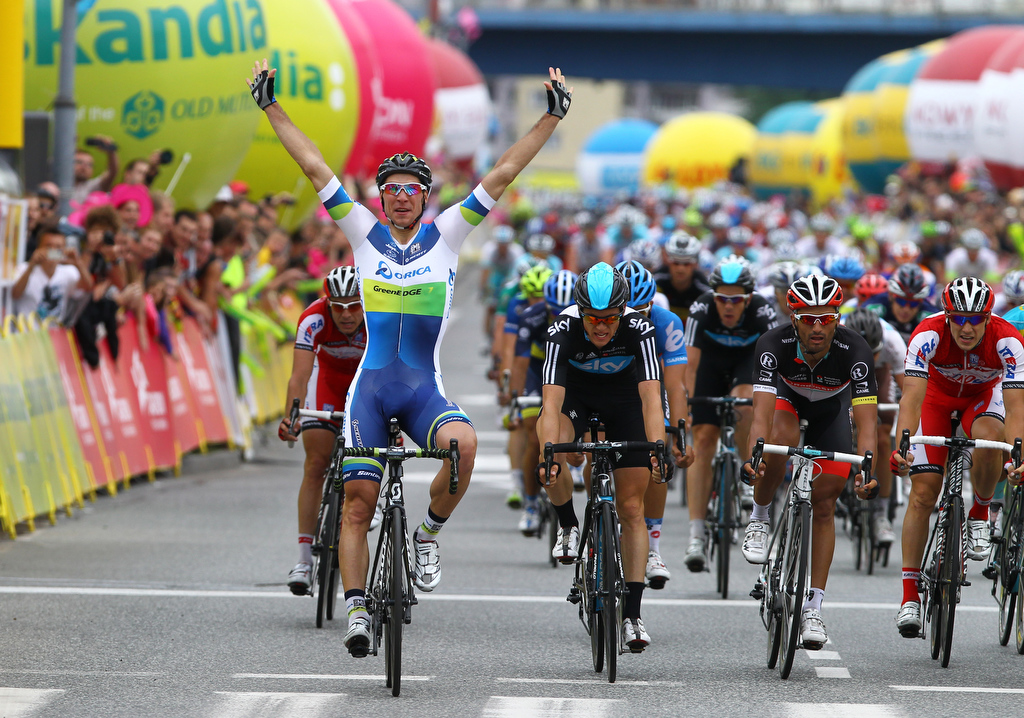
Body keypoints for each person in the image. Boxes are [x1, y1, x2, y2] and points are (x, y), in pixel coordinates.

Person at [248, 57, 573, 656]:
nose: (400, 198)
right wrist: (271, 106)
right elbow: (313, 163)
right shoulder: (361, 233)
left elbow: (502, 173)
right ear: (380, 196)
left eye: (411, 190)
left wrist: (550, 118)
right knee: (355, 504)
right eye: (390, 190)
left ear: (426, 196)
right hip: (369, 391)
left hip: (423, 389)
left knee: (466, 446)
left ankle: (425, 536)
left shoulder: (447, 234)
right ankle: (355, 612)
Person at [742, 274, 879, 649]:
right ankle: (760, 516)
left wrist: (867, 470)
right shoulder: (773, 343)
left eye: (826, 318)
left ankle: (813, 607)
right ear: (793, 317)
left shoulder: (856, 349)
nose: (817, 327)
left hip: (831, 410)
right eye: (807, 318)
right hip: (787, 400)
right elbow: (760, 417)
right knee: (779, 440)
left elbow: (866, 423)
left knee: (825, 503)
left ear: (837, 317)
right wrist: (755, 455)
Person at [537, 262, 669, 652]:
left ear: (622, 312)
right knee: (550, 449)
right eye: (592, 318)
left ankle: (632, 615)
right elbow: (551, 400)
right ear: (579, 312)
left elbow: (650, 397)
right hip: (575, 399)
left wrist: (658, 446)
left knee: (631, 507)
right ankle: (567, 525)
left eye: (610, 318)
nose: (600, 327)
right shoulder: (561, 330)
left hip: (625, 400)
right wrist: (550, 455)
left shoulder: (639, 329)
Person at [890, 277, 1024, 638]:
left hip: (983, 398)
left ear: (988, 317)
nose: (966, 327)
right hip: (935, 400)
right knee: (923, 493)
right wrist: (902, 444)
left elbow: (1015, 408)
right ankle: (908, 597)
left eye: (975, 319)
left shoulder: (1008, 339)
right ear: (946, 315)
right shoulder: (927, 334)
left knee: (990, 437)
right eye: (958, 318)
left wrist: (1019, 454)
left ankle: (980, 513)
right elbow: (912, 399)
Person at [682, 256, 778, 571]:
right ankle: (696, 534)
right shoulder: (701, 308)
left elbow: (772, 367)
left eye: (736, 300)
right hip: (709, 365)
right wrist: (687, 410)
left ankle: (746, 468)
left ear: (748, 298)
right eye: (722, 298)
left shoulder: (762, 311)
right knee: (704, 439)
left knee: (744, 400)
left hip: (745, 364)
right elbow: (690, 366)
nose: (728, 306)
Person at [278, 267, 367, 595]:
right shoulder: (313, 318)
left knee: (378, 450)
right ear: (327, 303)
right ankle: (303, 560)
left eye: (354, 305)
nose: (346, 314)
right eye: (338, 306)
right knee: (316, 464)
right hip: (326, 382)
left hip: (365, 386)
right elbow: (299, 377)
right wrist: (292, 417)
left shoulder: (378, 317)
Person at [616, 260, 693, 588]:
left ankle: (653, 547)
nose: (635, 320)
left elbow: (674, 386)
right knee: (598, 446)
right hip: (607, 387)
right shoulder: (600, 322)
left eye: (642, 311)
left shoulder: (667, 323)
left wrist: (680, 433)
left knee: (657, 454)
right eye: (627, 312)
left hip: (649, 390)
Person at [509, 269, 577, 534]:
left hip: (567, 370)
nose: (560, 316)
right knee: (533, 433)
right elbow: (520, 362)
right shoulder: (531, 317)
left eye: (566, 309)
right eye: (554, 310)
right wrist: (516, 400)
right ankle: (530, 503)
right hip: (537, 370)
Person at [842, 308, 906, 546]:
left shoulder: (893, 342)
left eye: (874, 353)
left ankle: (880, 512)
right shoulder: (839, 337)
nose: (868, 358)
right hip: (846, 372)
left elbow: (908, 393)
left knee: (881, 436)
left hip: (880, 376)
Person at [11, 222, 92, 320]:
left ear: (64, 249)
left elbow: (89, 288)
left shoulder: (69, 271)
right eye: (48, 246)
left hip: (54, 333)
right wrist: (31, 266)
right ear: (38, 247)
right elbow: (15, 294)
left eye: (58, 247)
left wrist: (78, 263)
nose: (53, 251)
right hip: (27, 332)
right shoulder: (23, 268)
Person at [862, 263, 938, 345]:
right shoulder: (876, 306)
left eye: (913, 303)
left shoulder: (930, 315)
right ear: (891, 296)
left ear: (921, 302)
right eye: (901, 301)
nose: (906, 309)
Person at [655, 230, 710, 324]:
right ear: (668, 262)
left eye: (686, 263)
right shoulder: (656, 280)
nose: (680, 269)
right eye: (676, 263)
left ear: (695, 264)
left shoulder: (704, 289)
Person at [71, 137, 119, 207]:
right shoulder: (58, 182)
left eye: (89, 165)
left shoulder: (93, 186)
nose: (84, 167)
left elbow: (112, 172)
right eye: (79, 162)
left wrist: (111, 151)